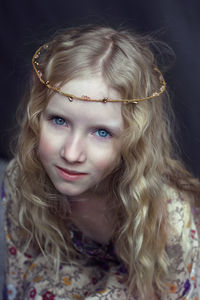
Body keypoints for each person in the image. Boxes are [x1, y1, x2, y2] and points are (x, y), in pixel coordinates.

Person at [2, 25, 200, 300]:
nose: (71, 154)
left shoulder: (168, 218)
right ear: (37, 116)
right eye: (59, 121)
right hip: (68, 270)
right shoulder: (23, 178)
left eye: (102, 132)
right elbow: (17, 277)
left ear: (133, 140)